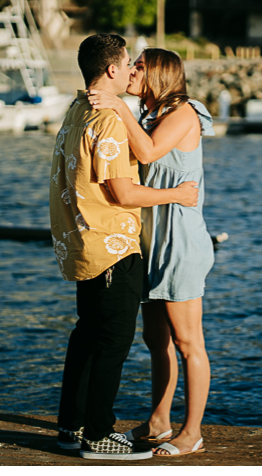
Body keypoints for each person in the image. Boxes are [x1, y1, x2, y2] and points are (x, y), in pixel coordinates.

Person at [49, 34, 200, 462]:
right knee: (111, 344)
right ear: (113, 70)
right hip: (113, 245)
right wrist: (176, 195)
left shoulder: (75, 110)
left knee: (85, 336)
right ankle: (98, 434)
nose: (134, 70)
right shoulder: (110, 119)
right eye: (128, 64)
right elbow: (123, 192)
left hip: (81, 242)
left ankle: (70, 427)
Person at [88, 48, 214, 458]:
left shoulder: (184, 113)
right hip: (150, 239)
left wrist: (119, 108)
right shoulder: (148, 114)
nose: (132, 71)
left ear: (158, 74)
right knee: (154, 338)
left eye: (139, 66)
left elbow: (147, 153)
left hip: (179, 240)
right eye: (133, 64)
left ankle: (191, 431)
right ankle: (160, 421)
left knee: (187, 340)